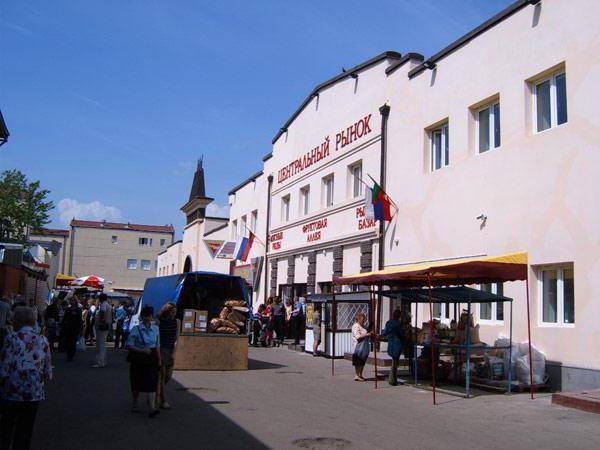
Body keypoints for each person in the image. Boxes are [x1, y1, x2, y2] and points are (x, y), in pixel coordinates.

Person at [0, 306, 52, 450]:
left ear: (18, 321)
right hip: (34, 390)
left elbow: (5, 364)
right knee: (26, 428)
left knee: (7, 424)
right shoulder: (43, 340)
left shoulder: (11, 338)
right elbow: (48, 367)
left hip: (13, 388)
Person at [126, 306, 161, 418]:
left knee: (152, 381)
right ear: (142, 316)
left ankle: (151, 407)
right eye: (145, 315)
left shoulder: (156, 329)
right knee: (136, 381)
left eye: (149, 315)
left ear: (151, 316)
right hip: (138, 358)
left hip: (152, 357)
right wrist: (142, 350)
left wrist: (159, 359)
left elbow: (157, 345)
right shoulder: (136, 329)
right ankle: (135, 403)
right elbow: (129, 344)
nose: (147, 318)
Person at [156, 303, 180, 410]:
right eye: (172, 312)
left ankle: (156, 391)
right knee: (162, 374)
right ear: (167, 311)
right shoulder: (159, 321)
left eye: (175, 312)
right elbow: (157, 337)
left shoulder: (177, 322)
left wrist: (174, 352)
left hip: (170, 349)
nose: (174, 314)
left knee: (168, 375)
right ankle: (162, 399)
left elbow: (177, 338)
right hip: (162, 348)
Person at [379, 309, 404, 386]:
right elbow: (401, 333)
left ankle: (393, 379)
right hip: (397, 343)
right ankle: (393, 379)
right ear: (399, 316)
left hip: (391, 343)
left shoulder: (388, 323)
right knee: (395, 361)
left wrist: (381, 335)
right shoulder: (399, 324)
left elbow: (385, 332)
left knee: (394, 360)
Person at [93, 293, 112, 368]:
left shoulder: (103, 304)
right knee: (103, 344)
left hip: (102, 326)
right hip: (106, 326)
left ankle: (100, 362)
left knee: (100, 344)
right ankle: (103, 361)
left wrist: (102, 320)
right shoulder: (108, 305)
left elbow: (102, 312)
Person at [61, 296, 83, 362]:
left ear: (75, 301)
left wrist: (81, 329)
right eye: (71, 301)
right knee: (68, 342)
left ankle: (71, 355)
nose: (72, 302)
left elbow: (80, 320)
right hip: (68, 328)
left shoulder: (78, 309)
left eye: (73, 300)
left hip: (75, 328)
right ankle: (68, 354)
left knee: (73, 342)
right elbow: (65, 318)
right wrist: (62, 324)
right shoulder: (68, 309)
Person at [351, 312, 371, 382]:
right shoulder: (356, 326)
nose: (364, 320)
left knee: (363, 360)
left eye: (364, 319)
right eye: (362, 319)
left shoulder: (364, 326)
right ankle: (357, 375)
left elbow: (366, 332)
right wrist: (367, 335)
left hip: (364, 345)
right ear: (358, 319)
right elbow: (358, 337)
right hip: (358, 346)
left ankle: (360, 374)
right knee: (358, 360)